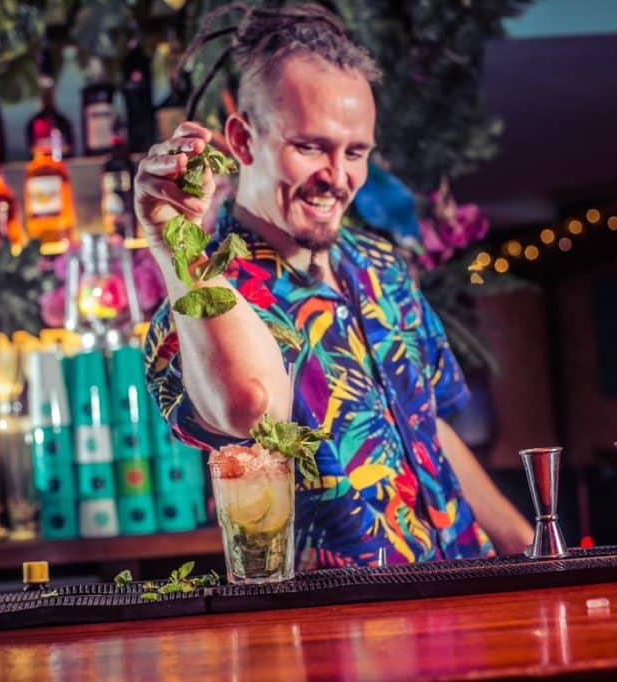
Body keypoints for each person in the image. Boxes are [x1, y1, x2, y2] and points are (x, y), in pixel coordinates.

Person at [137, 2, 533, 569]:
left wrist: (529, 544)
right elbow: (252, 407)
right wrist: (176, 246)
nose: (338, 176)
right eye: (310, 147)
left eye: (356, 152)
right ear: (244, 142)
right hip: (349, 637)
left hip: (466, 602)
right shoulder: (202, 303)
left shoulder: (383, 267)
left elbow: (430, 429)